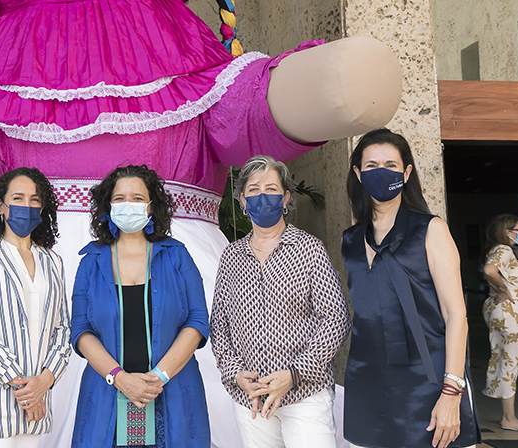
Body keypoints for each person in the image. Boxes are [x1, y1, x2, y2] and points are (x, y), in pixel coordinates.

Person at [341, 129, 481, 448]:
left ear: (406, 173)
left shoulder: (431, 230)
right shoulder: (349, 240)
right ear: (358, 173)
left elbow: (455, 314)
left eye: (391, 165)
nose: (382, 172)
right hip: (367, 380)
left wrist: (451, 391)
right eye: (372, 165)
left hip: (429, 378)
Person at [209, 155, 349, 447]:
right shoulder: (231, 257)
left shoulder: (309, 249)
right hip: (252, 398)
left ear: (286, 198)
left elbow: (335, 319)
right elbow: (219, 324)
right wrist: (234, 373)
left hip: (304, 394)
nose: (263, 197)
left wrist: (295, 373)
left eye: (271, 189)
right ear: (243, 202)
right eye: (254, 190)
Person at [70, 165, 210, 448]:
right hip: (107, 395)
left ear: (150, 206)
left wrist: (158, 378)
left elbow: (197, 321)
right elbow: (80, 330)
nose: (128, 205)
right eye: (119, 199)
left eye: (137, 198)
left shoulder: (177, 256)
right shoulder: (91, 262)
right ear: (107, 207)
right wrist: (119, 378)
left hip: (173, 394)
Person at [0, 167, 72, 447]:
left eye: (35, 199)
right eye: (18, 198)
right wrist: (24, 389)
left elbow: (64, 330)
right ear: (1, 206)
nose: (27, 205)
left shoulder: (52, 261)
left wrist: (44, 382)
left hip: (37, 402)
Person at [480, 214, 518, 433]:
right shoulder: (503, 250)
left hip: (509, 311)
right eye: (517, 229)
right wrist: (503, 290)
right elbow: (489, 271)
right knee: (510, 361)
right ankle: (509, 418)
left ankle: (508, 415)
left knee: (506, 359)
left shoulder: (501, 251)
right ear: (505, 231)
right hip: (510, 312)